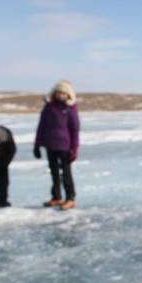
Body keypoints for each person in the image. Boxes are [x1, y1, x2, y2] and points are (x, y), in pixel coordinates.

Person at [34, 80, 80, 210]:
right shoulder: (49, 108)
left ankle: (70, 198)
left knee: (66, 173)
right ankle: (57, 196)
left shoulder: (71, 109)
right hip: (50, 144)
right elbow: (41, 126)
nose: (61, 96)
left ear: (69, 95)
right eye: (58, 93)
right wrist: (37, 144)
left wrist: (74, 148)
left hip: (65, 146)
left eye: (64, 93)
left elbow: (75, 130)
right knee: (54, 172)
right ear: (54, 93)